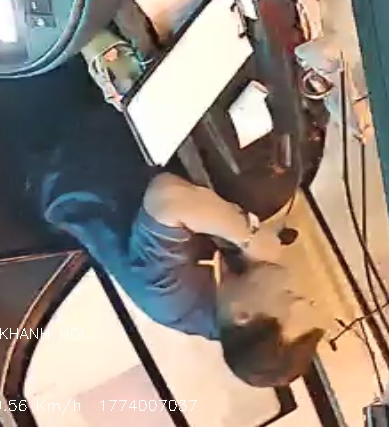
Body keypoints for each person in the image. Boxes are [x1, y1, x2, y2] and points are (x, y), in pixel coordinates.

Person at [37, 89, 325, 388]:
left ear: (243, 314)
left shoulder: (172, 301)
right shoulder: (236, 288)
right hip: (140, 138)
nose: (289, 279)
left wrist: (249, 236)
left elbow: (169, 198)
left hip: (78, 153)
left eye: (288, 295)